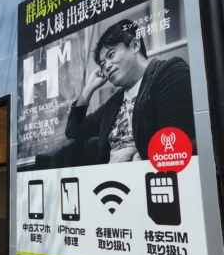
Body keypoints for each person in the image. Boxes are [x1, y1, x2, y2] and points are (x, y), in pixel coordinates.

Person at [63, 18, 195, 164]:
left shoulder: (170, 73)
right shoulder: (114, 103)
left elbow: (176, 142)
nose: (107, 66)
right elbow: (73, 132)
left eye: (111, 55)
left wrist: (133, 155)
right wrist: (88, 89)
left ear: (135, 45)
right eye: (103, 64)